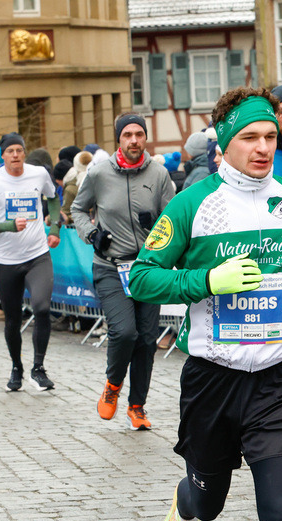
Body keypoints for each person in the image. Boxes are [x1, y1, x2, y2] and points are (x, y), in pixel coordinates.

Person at [128, 87, 282, 521]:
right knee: (211, 501)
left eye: (269, 136)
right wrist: (206, 281)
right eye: (249, 138)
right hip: (213, 380)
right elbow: (140, 277)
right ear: (225, 143)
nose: (263, 147)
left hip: (280, 377)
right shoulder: (192, 206)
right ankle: (185, 506)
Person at [72, 112, 174, 430]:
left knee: (146, 340)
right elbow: (77, 209)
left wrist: (156, 226)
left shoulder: (159, 174)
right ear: (119, 139)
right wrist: (92, 234)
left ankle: (137, 407)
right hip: (110, 266)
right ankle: (113, 385)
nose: (133, 140)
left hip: (148, 267)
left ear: (145, 138)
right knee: (124, 331)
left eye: (139, 134)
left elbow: (173, 218)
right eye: (127, 134)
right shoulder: (99, 173)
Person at [0, 132, 61, 392]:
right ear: (2, 156)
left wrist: (54, 227)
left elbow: (53, 198)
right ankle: (16, 368)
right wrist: (7, 226)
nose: (15, 155)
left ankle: (38, 368)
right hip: (7, 261)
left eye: (19, 150)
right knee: (12, 318)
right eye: (10, 151)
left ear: (24, 153)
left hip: (37, 255)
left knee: (42, 307)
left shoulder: (38, 174)